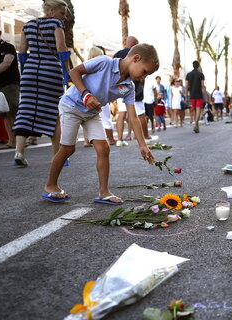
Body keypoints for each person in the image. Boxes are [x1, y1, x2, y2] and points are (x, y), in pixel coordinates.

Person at [43, 43, 158, 204]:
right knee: (68, 148)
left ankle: (104, 192)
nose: (143, 77)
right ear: (135, 59)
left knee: (104, 148)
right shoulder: (104, 62)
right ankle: (51, 185)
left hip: (92, 113)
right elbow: (74, 72)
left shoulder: (128, 87)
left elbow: (133, 118)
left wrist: (142, 145)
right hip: (71, 105)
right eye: (145, 71)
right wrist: (86, 94)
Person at [13, 0, 69, 166]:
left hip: (30, 72)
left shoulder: (28, 25)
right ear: (51, 11)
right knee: (55, 113)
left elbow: (22, 52)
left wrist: (25, 73)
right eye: (62, 13)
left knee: (26, 110)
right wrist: (67, 72)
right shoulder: (55, 23)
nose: (64, 17)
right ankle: (58, 156)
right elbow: (61, 48)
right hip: (51, 72)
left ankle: (19, 152)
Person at [87, 46, 116, 145]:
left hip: (87, 98)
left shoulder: (86, 68)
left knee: (87, 119)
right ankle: (111, 139)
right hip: (100, 99)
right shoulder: (102, 70)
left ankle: (87, 141)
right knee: (106, 119)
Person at [114, 36, 139, 146]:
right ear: (135, 45)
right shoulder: (136, 56)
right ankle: (132, 135)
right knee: (133, 114)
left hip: (117, 87)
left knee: (121, 113)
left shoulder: (118, 53)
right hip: (130, 87)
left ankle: (119, 139)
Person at [185, 60, 205, 133]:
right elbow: (202, 86)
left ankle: (196, 125)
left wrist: (186, 96)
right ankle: (196, 124)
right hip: (199, 94)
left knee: (194, 110)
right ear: (198, 66)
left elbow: (186, 86)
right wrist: (204, 94)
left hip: (192, 94)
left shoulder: (188, 74)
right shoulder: (201, 74)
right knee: (198, 109)